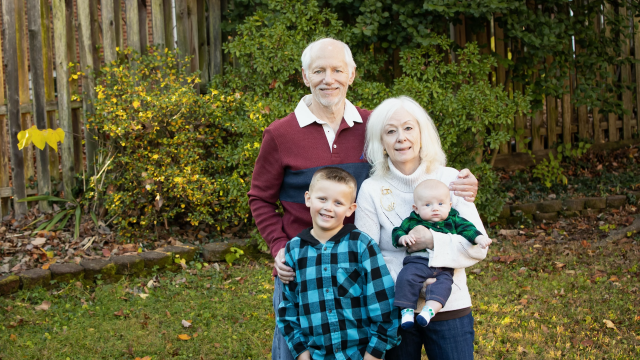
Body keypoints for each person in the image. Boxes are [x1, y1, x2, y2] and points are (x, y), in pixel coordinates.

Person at [247, 38, 479, 360]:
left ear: (352, 74)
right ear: (305, 76)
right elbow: (260, 198)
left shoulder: (375, 126)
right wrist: (278, 247)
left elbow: (414, 162)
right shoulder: (280, 134)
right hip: (304, 267)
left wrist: (458, 183)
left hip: (363, 274)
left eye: (337, 70)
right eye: (319, 71)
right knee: (299, 351)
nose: (329, 79)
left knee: (361, 349)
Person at [354, 96, 489, 360]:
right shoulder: (370, 189)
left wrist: (431, 240)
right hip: (396, 309)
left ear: (421, 134)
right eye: (390, 131)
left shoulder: (451, 179)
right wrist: (409, 286)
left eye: (408, 128)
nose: (400, 138)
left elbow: (478, 248)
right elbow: (366, 259)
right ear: (381, 143)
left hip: (449, 304)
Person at [276, 167, 399, 360]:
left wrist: (373, 354)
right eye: (322, 199)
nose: (328, 208)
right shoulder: (294, 250)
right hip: (316, 355)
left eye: (338, 202)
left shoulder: (361, 245)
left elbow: (384, 305)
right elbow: (288, 308)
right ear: (308, 198)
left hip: (360, 355)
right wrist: (302, 353)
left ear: (351, 209)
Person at [392, 179, 491, 330]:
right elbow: (397, 232)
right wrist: (402, 238)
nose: (435, 209)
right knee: (406, 278)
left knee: (444, 286)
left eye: (440, 204)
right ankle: (407, 310)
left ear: (450, 205)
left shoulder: (453, 219)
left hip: (444, 266)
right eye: (428, 205)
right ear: (416, 208)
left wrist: (479, 238)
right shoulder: (412, 220)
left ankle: (429, 311)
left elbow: (468, 229)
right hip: (417, 262)